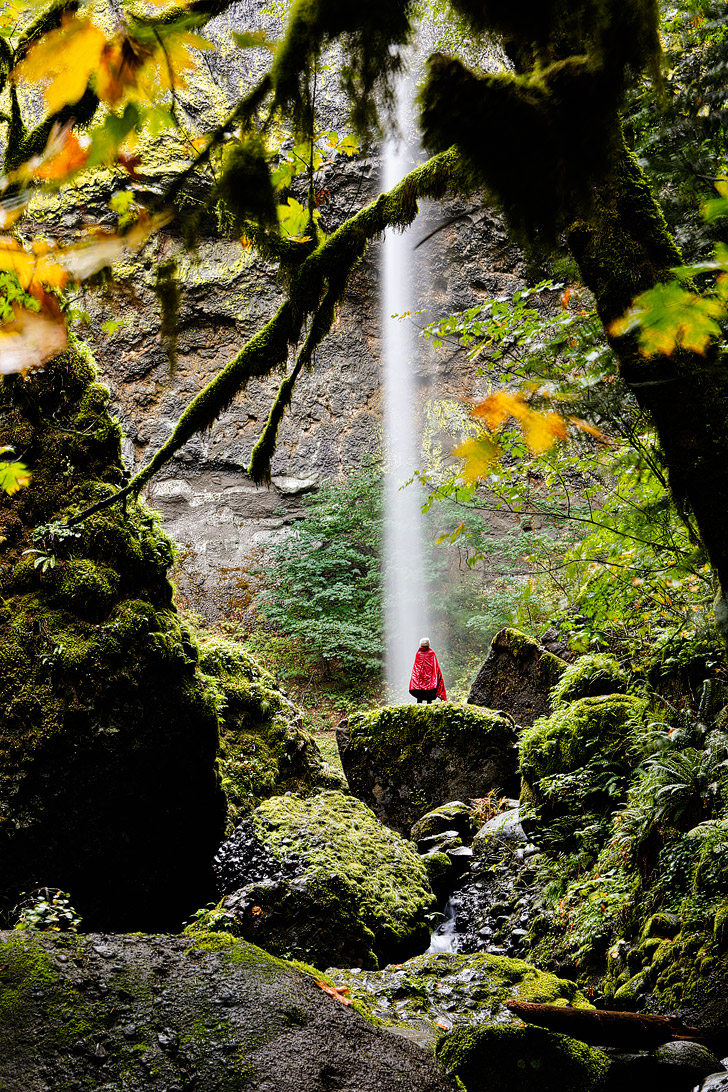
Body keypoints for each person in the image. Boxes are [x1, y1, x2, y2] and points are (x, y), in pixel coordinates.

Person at [408, 638, 447, 703]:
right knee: (429, 698)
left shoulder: (418, 653)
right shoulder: (431, 653)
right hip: (430, 681)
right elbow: (435, 667)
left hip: (420, 681)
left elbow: (416, 669)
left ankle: (419, 709)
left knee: (419, 698)